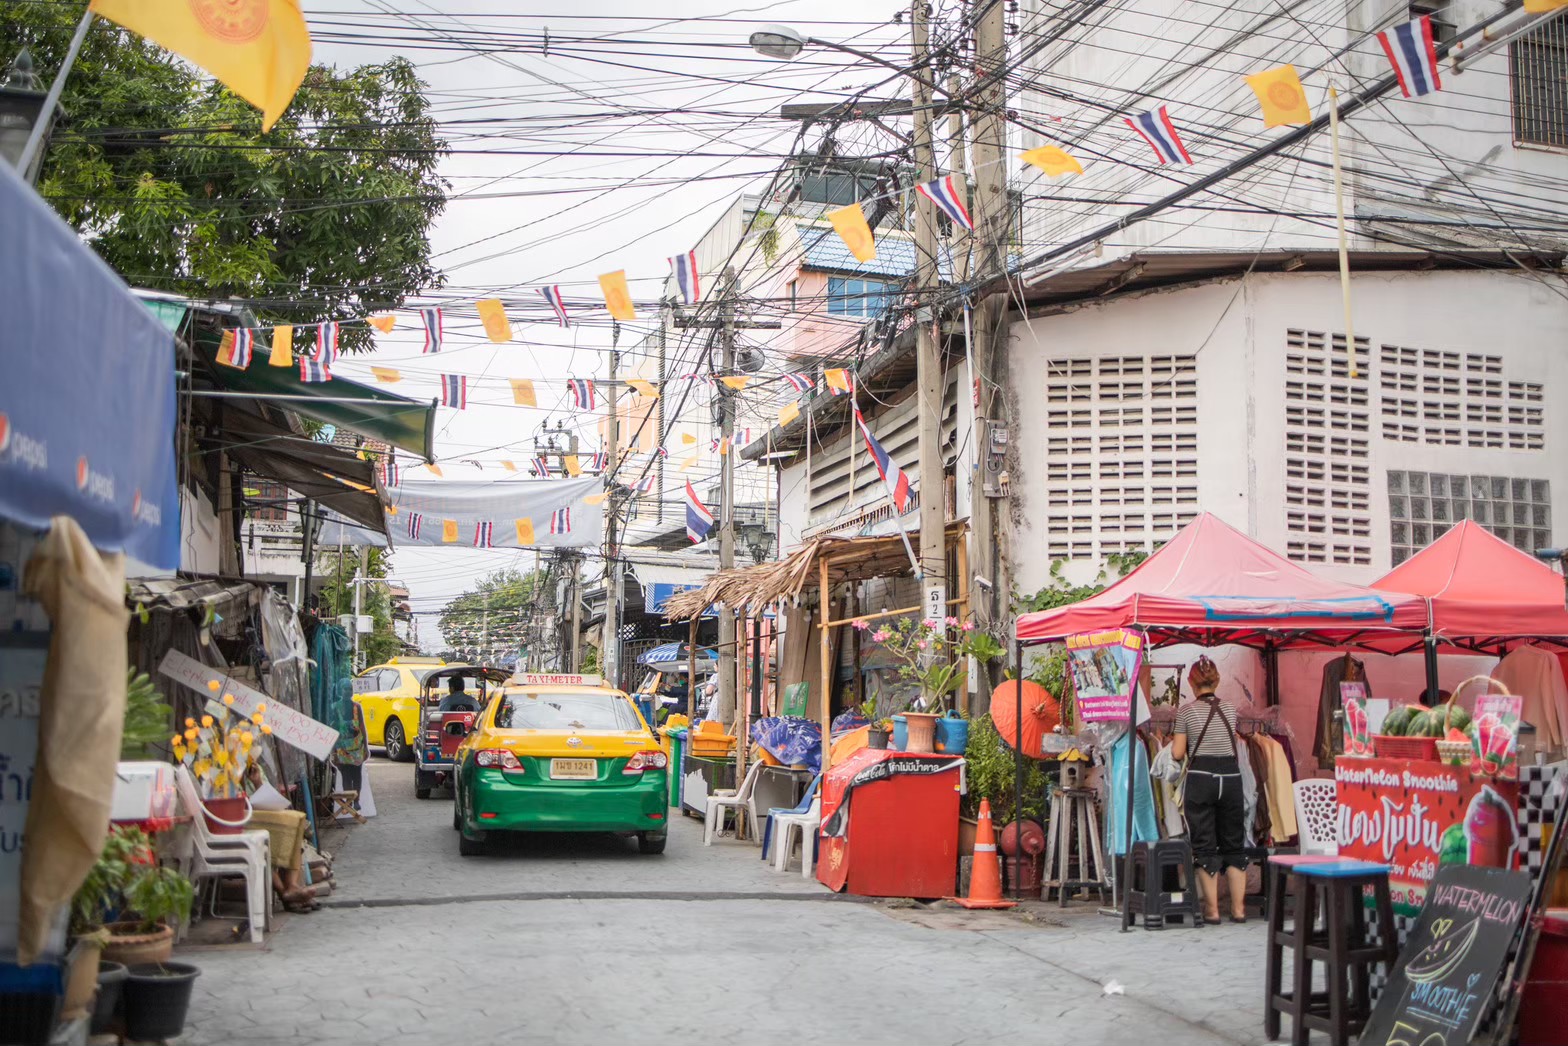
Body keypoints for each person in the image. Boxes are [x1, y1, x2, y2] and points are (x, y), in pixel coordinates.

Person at [1171, 655, 1248, 923]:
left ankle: (1213, 911)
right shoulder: (1230, 709)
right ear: (1217, 680)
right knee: (1234, 844)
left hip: (1202, 777)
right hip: (1231, 776)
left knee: (1204, 845)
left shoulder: (1186, 711)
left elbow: (1178, 752)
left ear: (1191, 682)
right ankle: (1238, 910)